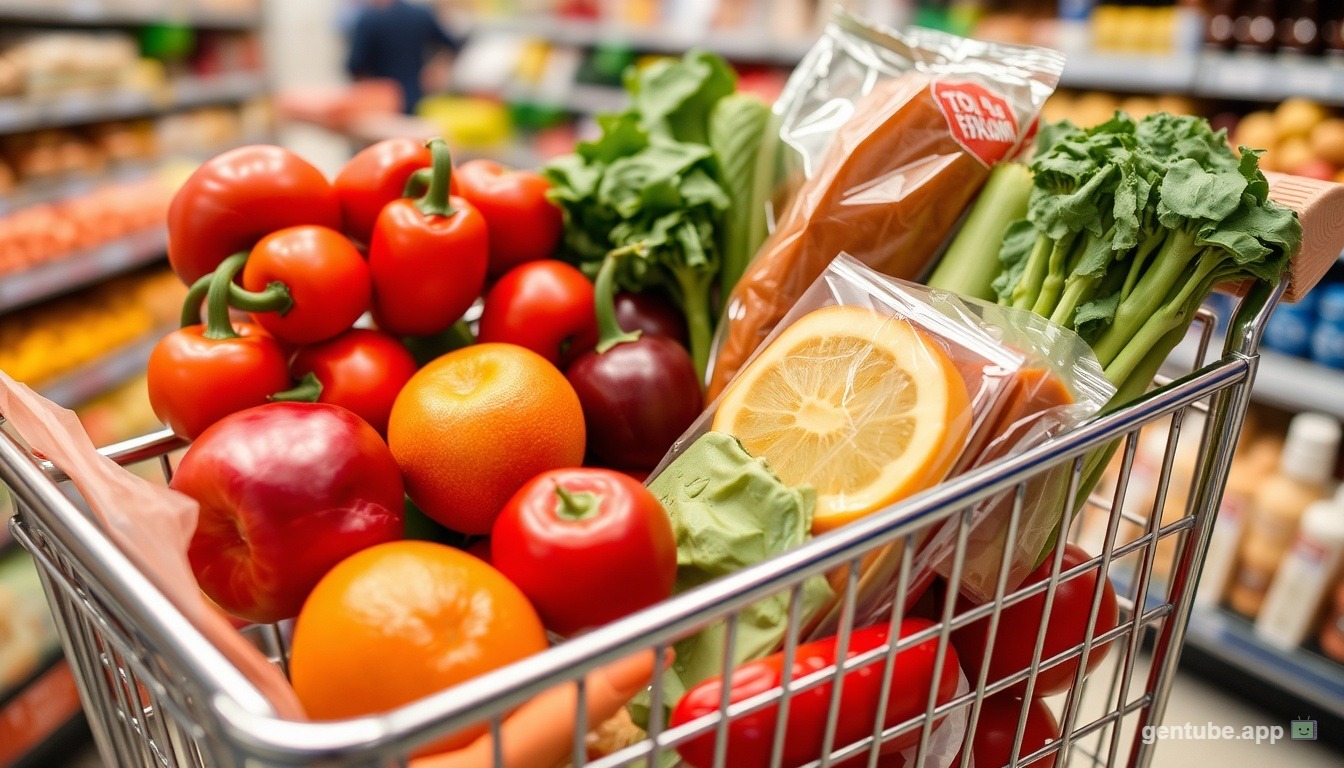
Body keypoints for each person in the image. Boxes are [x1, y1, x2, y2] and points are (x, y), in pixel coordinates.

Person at [346, 0, 459, 114]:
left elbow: (356, 66)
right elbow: (452, 46)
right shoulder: (420, 14)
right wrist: (435, 69)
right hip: (417, 95)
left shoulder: (368, 20)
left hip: (383, 100)